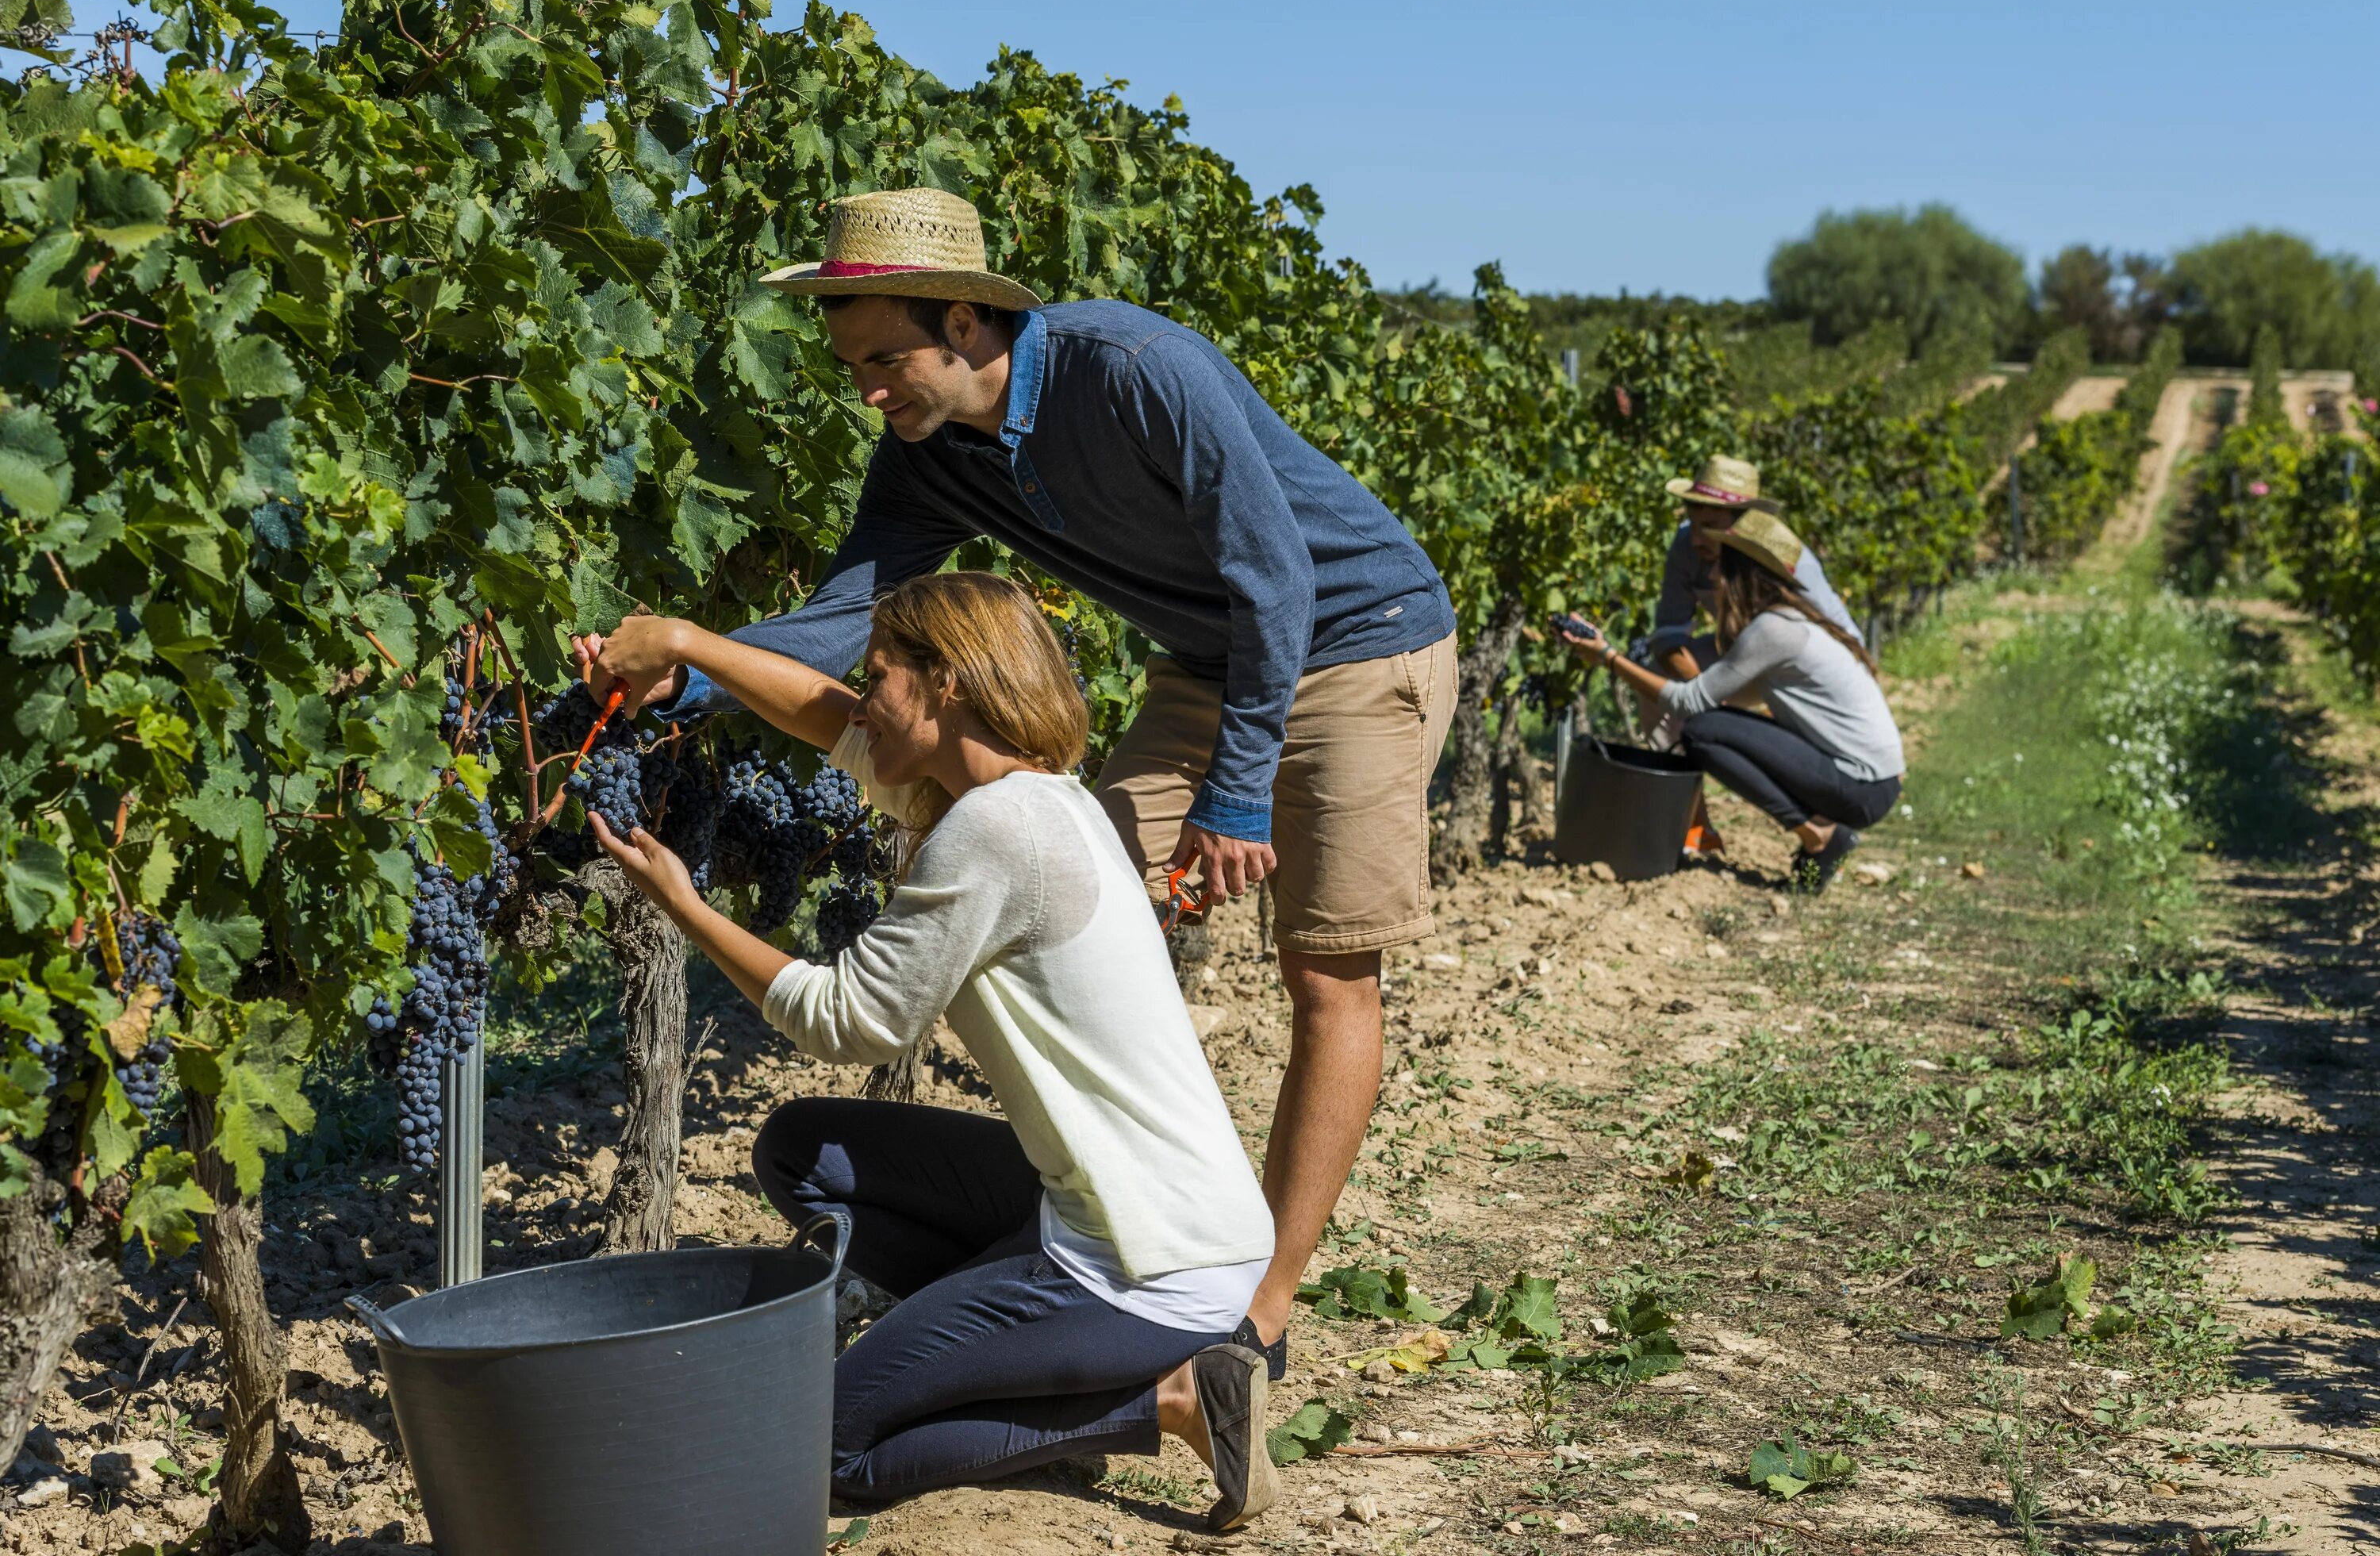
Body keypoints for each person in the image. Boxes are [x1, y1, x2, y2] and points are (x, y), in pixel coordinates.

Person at [588, 187, 1458, 1379]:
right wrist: (680, 686)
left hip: (1356, 633)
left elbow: (1275, 576)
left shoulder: (1139, 369)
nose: (870, 392)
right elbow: (846, 614)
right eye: (853, 368)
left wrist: (1239, 790)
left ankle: (1257, 1318)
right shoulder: (926, 455)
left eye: (887, 360)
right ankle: (1122, 1238)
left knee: (1323, 967)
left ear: (966, 322)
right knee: (1070, 877)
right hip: (1208, 659)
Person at [577, 573, 1281, 1529]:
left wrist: (687, 907)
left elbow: (846, 1023)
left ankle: (1167, 1397)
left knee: (817, 1446)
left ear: (946, 680)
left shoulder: (995, 830)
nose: (861, 702)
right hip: (1155, 1209)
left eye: (876, 677)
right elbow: (835, 724)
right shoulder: (1045, 798)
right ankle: (980, 1337)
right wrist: (688, 644)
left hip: (1147, 1263)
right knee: (801, 1149)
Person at [1561, 511, 1903, 893]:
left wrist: (1608, 656)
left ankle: (1819, 836)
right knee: (1712, 727)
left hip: (1862, 788)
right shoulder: (1787, 621)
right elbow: (1734, 697)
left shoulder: (1773, 630)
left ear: (1740, 574)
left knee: (1703, 732)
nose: (1709, 578)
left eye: (1718, 568)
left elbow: (1689, 702)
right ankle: (1816, 842)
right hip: (1872, 781)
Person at [1642, 455, 1861, 859]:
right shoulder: (1686, 545)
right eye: (1694, 519)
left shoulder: (1786, 557)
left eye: (1710, 525)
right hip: (1737, 656)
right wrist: (1702, 690)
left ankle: (1823, 832)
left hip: (1799, 665)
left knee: (1795, 744)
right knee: (1656, 683)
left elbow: (1842, 642)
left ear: (1743, 521)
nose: (1696, 537)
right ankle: (1691, 830)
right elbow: (1669, 633)